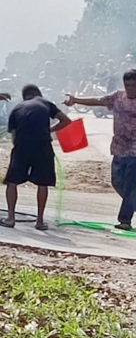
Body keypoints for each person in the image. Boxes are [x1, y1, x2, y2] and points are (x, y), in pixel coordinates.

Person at [65, 69, 136, 230]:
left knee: (132, 185)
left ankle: (125, 220)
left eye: (133, 86)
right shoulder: (118, 97)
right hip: (120, 148)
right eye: (127, 85)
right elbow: (98, 100)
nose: (130, 89)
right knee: (117, 182)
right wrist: (76, 100)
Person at [1, 85, 71, 230]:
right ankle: (39, 221)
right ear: (38, 93)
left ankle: (10, 218)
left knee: (12, 182)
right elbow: (66, 121)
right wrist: (50, 130)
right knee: (42, 183)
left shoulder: (17, 108)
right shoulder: (46, 103)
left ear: (24, 96)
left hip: (22, 146)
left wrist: (20, 147)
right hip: (43, 146)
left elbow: (13, 135)